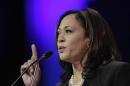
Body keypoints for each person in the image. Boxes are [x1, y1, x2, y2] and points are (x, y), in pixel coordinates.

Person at [20, 8, 130, 86]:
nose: (60, 38)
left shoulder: (117, 72)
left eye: (68, 31)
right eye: (59, 33)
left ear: (90, 38)